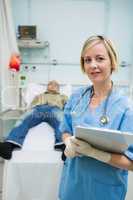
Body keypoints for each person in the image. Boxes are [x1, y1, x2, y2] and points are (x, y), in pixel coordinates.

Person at [58, 35, 133, 200]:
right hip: (73, 185)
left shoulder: (125, 107)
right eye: (87, 60)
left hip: (105, 191)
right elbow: (65, 129)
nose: (93, 65)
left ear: (112, 62)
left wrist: (96, 153)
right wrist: (68, 142)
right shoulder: (77, 97)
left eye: (100, 58)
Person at [0, 80, 68, 160]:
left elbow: (68, 108)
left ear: (58, 88)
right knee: (22, 120)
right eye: (50, 84)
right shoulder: (38, 96)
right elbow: (31, 107)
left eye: (55, 85)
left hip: (54, 109)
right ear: (47, 87)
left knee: (62, 121)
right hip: (38, 109)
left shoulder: (63, 96)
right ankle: (9, 144)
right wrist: (28, 113)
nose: (52, 86)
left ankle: (64, 146)